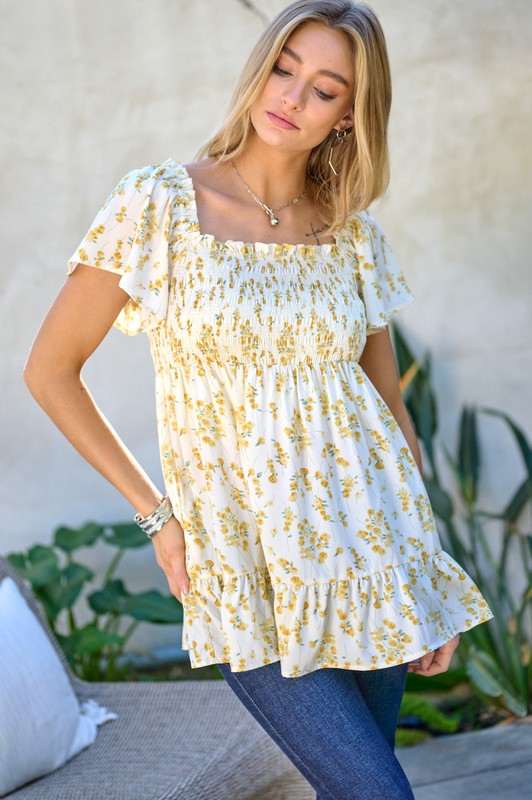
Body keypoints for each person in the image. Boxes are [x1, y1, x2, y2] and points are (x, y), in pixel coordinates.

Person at [24, 1, 494, 797]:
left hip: (371, 553)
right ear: (260, 67)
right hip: (243, 561)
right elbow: (50, 371)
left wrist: (423, 573)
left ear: (348, 116)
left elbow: (389, 411)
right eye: (284, 68)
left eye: (324, 88)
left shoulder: (350, 234)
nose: (291, 97)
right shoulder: (158, 205)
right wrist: (157, 515)